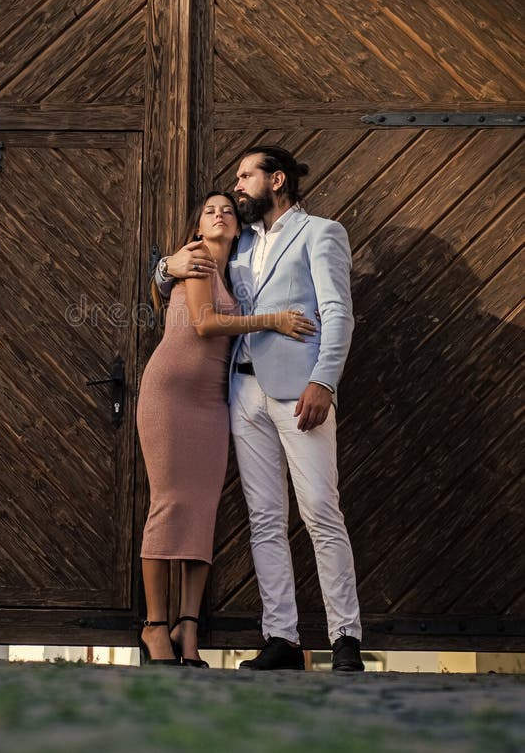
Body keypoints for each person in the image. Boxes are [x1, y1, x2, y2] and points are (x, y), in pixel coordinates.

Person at [155, 147, 364, 672]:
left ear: (277, 180)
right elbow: (191, 275)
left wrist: (325, 381)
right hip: (242, 395)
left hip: (301, 393)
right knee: (264, 519)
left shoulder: (321, 232)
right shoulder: (242, 241)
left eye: (246, 176)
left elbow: (338, 312)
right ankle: (282, 638)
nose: (238, 185)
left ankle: (345, 638)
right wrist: (164, 268)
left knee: (319, 511)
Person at [137, 191, 316, 666]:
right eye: (209, 211)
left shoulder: (235, 274)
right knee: (168, 505)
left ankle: (187, 628)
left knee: (201, 512)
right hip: (170, 396)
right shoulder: (193, 259)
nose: (220, 215)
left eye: (228, 212)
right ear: (198, 227)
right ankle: (155, 626)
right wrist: (274, 320)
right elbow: (203, 324)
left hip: (212, 402)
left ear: (238, 228)